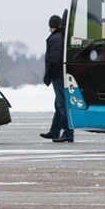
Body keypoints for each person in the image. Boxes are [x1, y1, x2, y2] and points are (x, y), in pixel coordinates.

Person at [40, 15, 73, 143]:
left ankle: (68, 133)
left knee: (62, 104)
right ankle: (54, 131)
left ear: (50, 25)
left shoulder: (55, 39)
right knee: (58, 104)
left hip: (58, 75)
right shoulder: (61, 37)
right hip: (61, 74)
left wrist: (50, 74)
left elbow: (54, 59)